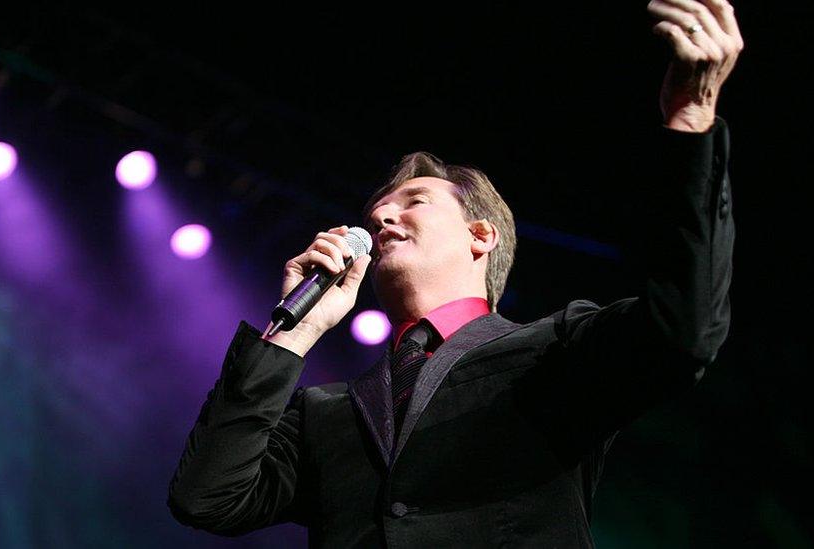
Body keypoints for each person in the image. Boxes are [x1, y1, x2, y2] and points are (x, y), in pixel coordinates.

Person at [168, 1, 743, 546]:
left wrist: (690, 124)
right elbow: (207, 498)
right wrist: (291, 335)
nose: (383, 216)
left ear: (480, 235)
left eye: (414, 200)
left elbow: (684, 331)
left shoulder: (553, 350)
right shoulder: (326, 411)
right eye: (376, 212)